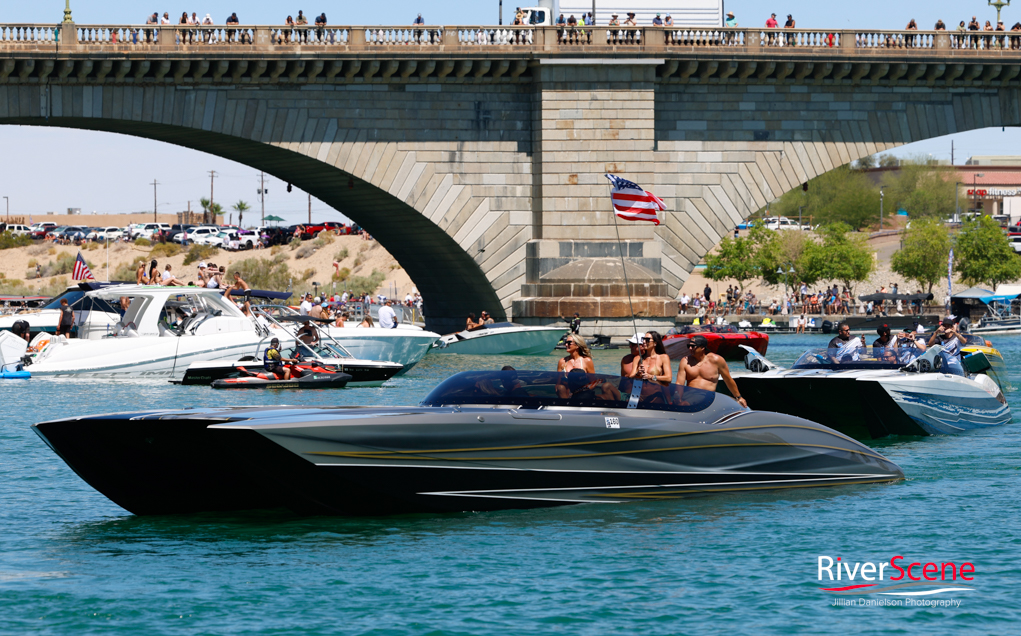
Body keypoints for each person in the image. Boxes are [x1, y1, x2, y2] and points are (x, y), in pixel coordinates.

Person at [677, 335, 747, 408]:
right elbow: (679, 383)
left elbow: (728, 380)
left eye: (693, 346)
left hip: (706, 396)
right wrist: (678, 398)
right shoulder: (685, 361)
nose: (690, 348)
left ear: (702, 347)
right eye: (689, 346)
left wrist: (739, 397)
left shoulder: (716, 360)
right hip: (688, 395)